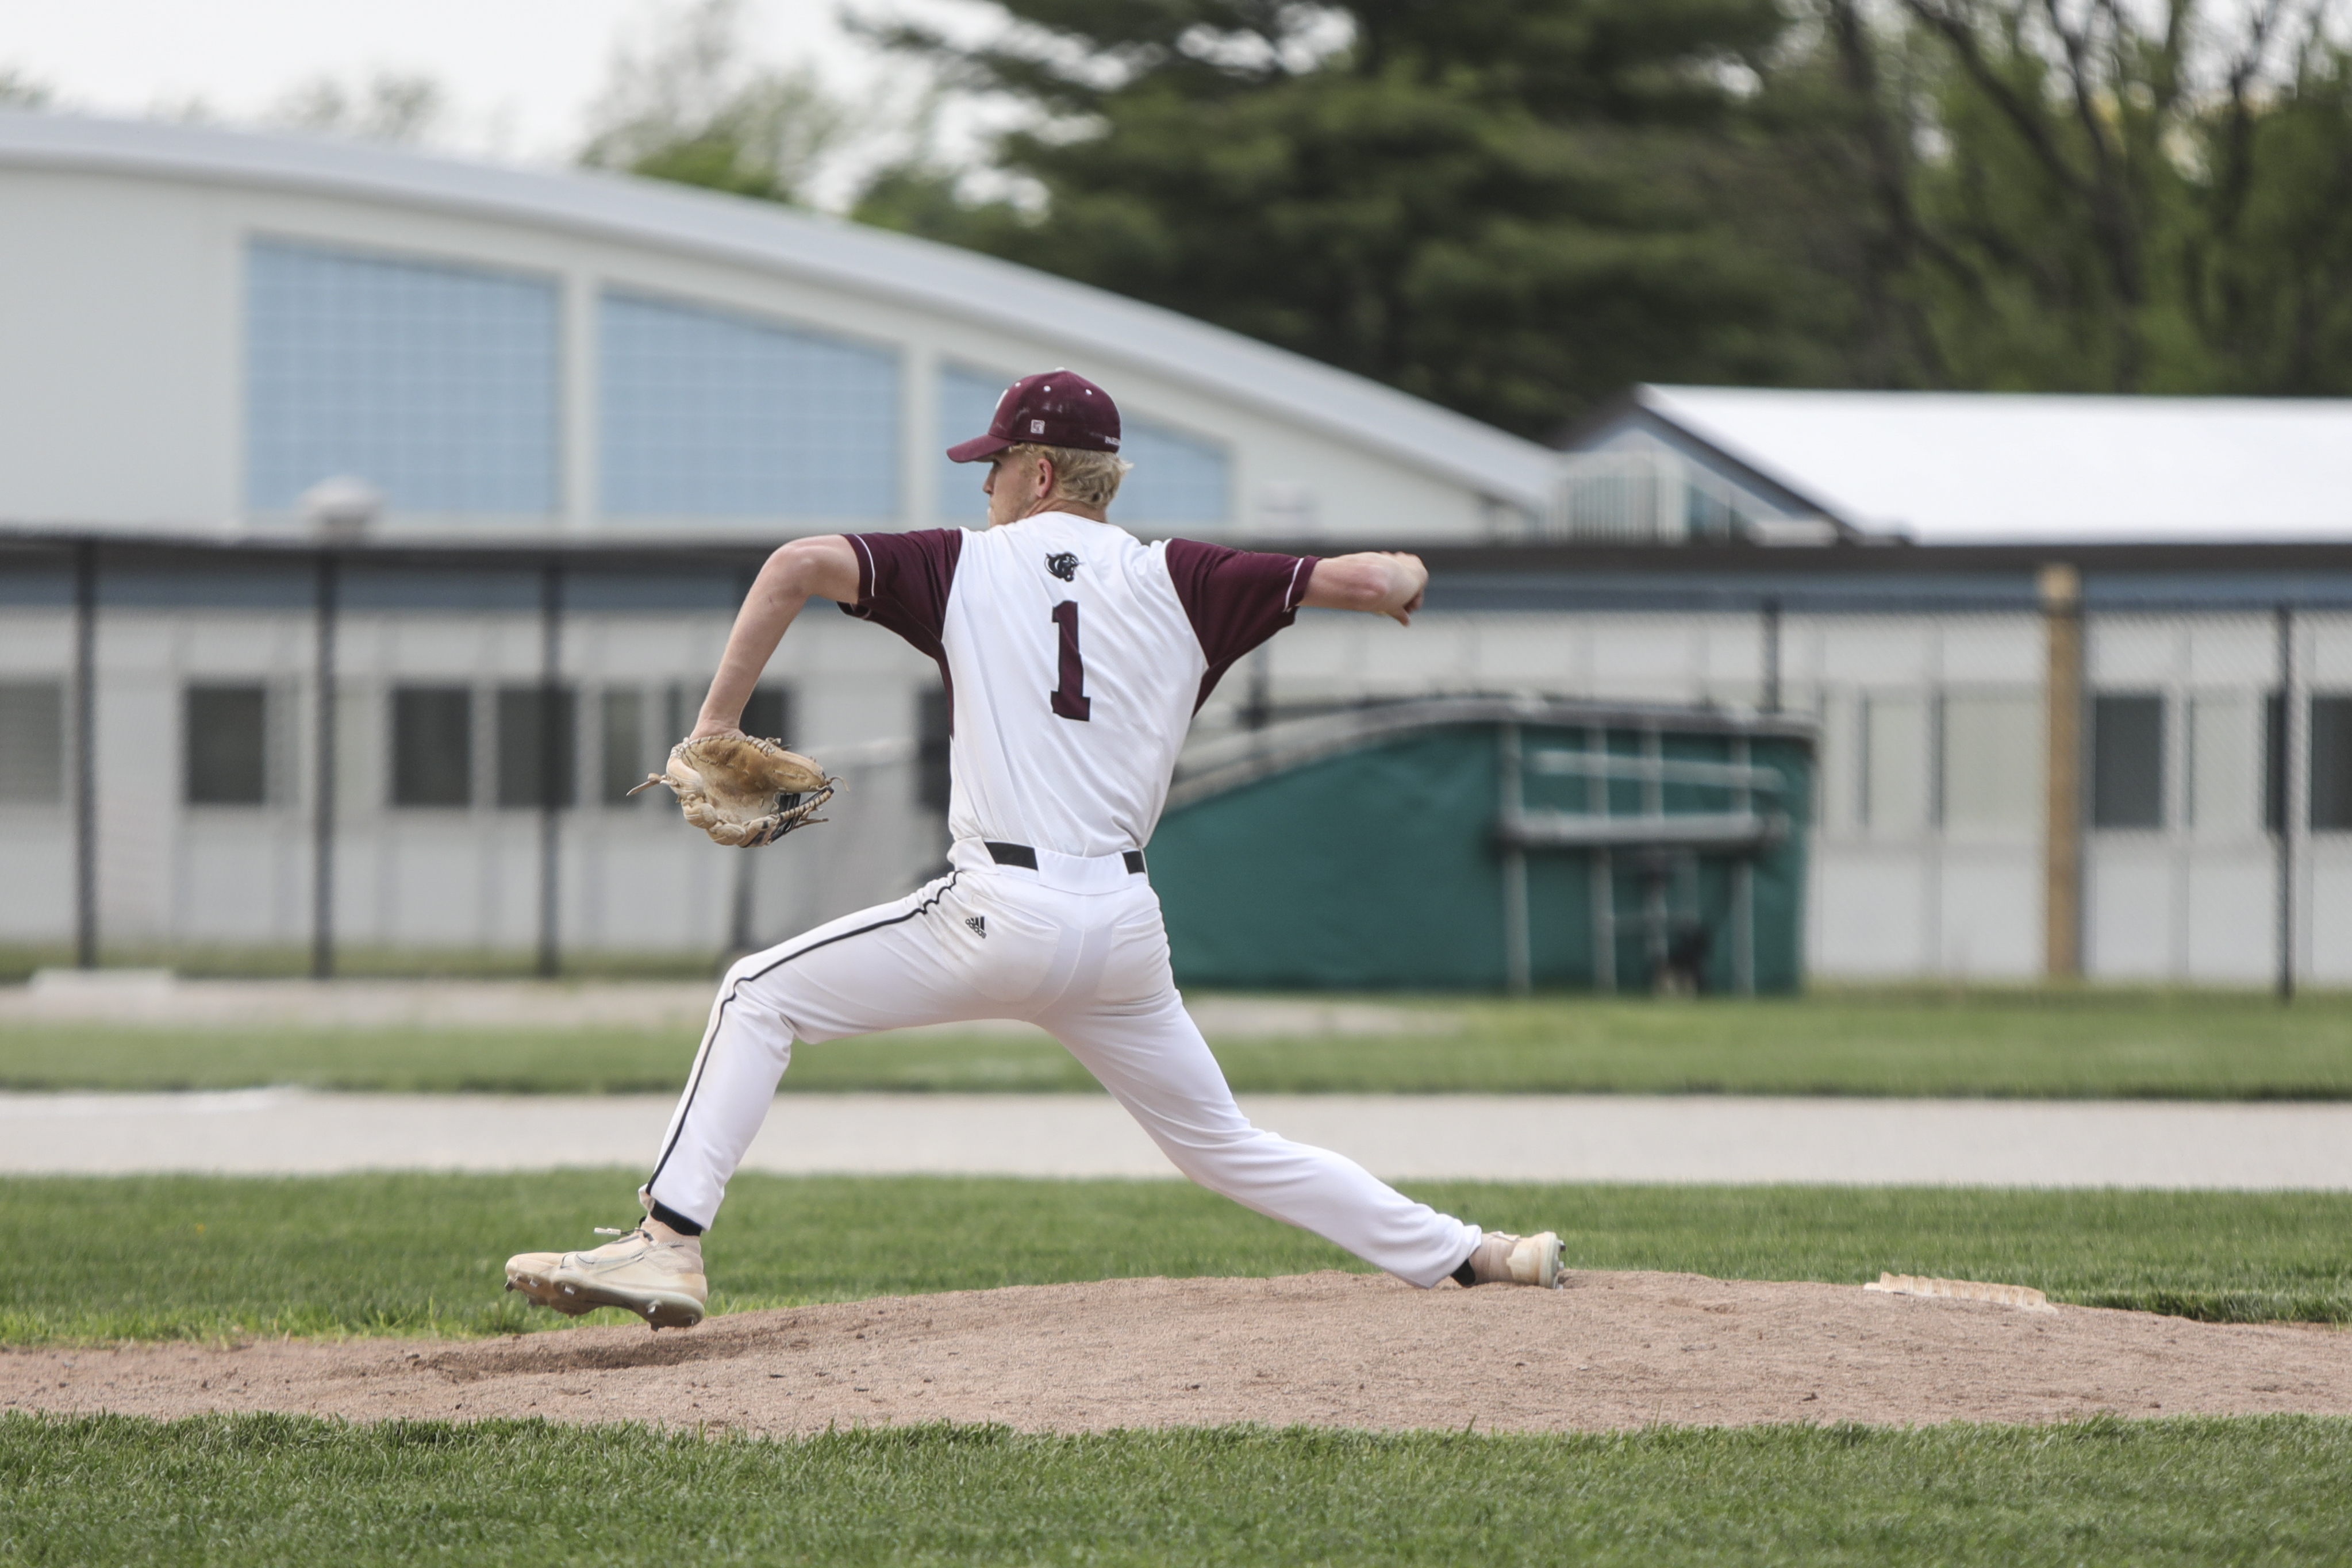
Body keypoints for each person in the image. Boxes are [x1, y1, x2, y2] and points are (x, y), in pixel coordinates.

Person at [504, 370, 1562, 1329]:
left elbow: (795, 565)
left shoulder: (964, 564)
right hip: (1124, 933)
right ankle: (1475, 1255)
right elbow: (1378, 584)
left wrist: (710, 729)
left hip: (998, 912)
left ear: (1042, 471)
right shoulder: (1187, 576)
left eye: (996, 466)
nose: (985, 489)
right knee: (1223, 1145)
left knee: (756, 995)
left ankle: (669, 1246)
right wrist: (1406, 574)